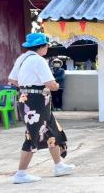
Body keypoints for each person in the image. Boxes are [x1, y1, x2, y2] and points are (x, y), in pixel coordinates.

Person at [7, 33, 76, 184]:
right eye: (46, 45)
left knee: (51, 130)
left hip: (27, 98)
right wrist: (55, 86)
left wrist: (26, 87)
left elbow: (12, 79)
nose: (47, 48)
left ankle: (59, 165)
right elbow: (51, 84)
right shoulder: (39, 60)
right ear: (42, 46)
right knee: (33, 134)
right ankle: (21, 173)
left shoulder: (22, 58)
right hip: (36, 101)